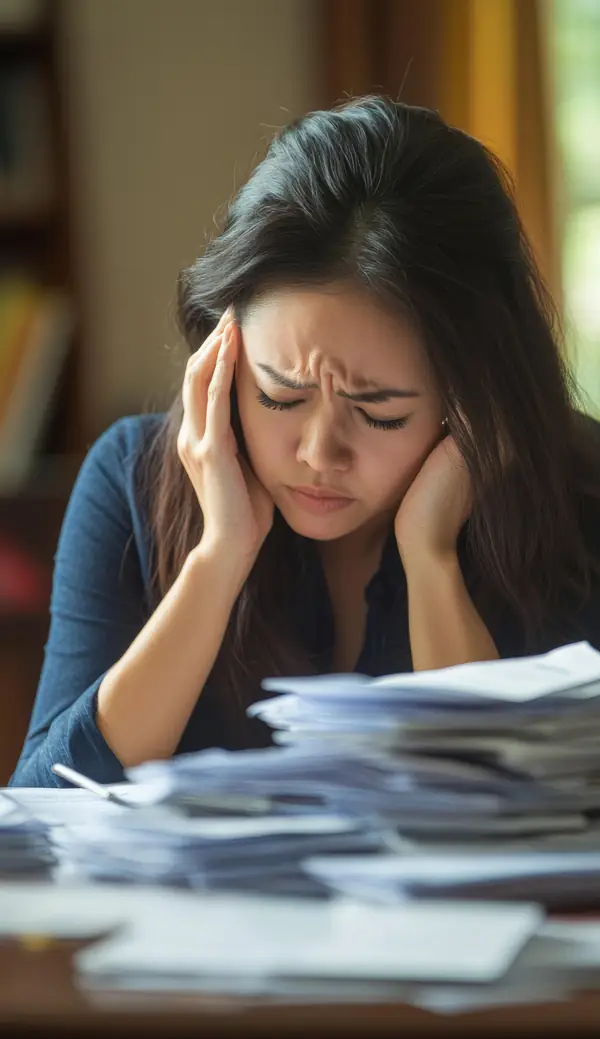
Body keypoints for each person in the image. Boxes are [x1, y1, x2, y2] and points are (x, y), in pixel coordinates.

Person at [10, 95, 600, 789]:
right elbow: (45, 805)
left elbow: (519, 820)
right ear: (222, 355)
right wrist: (219, 556)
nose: (320, 453)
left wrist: (432, 558)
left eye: (379, 413)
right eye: (280, 395)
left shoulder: (576, 499)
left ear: (474, 395)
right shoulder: (133, 479)